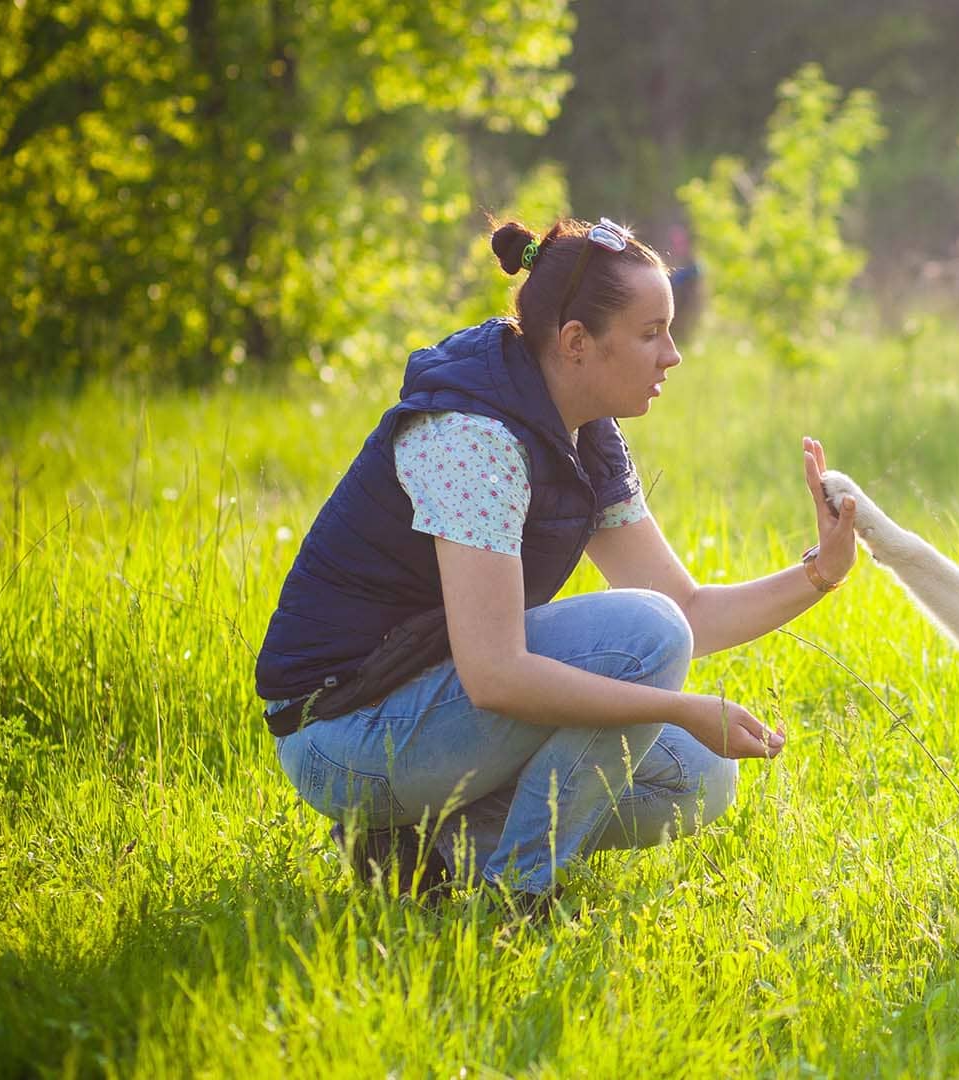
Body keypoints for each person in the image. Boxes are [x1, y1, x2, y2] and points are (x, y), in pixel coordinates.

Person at [256, 216, 859, 908]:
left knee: (698, 780)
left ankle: (419, 848)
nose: (673, 356)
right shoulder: (471, 437)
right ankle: (517, 892)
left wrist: (824, 571)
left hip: (429, 706)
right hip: (344, 734)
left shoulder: (582, 430)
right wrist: (679, 704)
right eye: (650, 332)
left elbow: (691, 612)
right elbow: (495, 674)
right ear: (576, 342)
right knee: (648, 637)